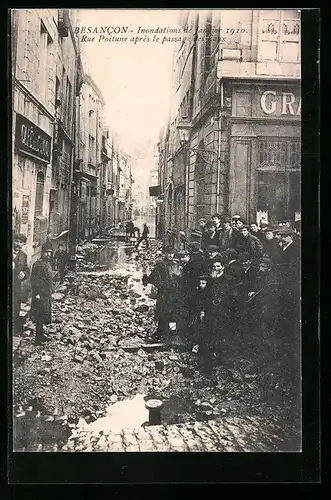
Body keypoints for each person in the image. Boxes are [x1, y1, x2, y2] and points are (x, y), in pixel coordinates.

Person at [142, 247, 182, 338]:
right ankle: (161, 330)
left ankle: (168, 330)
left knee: (172, 310)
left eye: (172, 253)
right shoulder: (161, 264)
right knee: (161, 310)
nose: (171, 255)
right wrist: (158, 284)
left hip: (173, 292)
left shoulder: (175, 264)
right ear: (165, 254)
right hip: (164, 292)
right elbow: (155, 276)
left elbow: (179, 276)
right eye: (169, 253)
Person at [30, 248, 53, 345]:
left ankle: (41, 335)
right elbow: (34, 279)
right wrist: (37, 293)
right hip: (39, 294)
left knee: (44, 315)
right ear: (42, 253)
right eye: (46, 252)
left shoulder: (47, 263)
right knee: (39, 316)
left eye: (50, 253)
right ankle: (37, 339)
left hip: (46, 294)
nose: (48, 254)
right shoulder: (38, 264)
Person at [13, 233, 30, 334]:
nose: (18, 244)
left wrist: (24, 274)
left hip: (16, 288)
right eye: (16, 241)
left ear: (23, 244)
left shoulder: (23, 256)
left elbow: (27, 269)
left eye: (21, 242)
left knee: (15, 309)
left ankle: (13, 331)